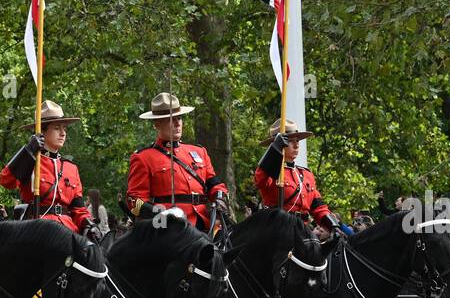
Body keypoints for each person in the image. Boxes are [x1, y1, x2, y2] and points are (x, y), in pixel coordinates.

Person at [126, 92, 229, 232]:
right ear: (156, 124)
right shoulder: (143, 158)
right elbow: (134, 202)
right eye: (170, 119)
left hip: (206, 223)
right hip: (170, 229)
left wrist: (220, 198)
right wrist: (161, 214)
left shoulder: (199, 152)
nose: (177, 123)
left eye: (179, 118)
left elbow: (215, 184)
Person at [0, 101, 100, 239]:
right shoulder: (30, 161)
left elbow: (78, 209)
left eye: (65, 128)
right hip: (36, 230)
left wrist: (89, 224)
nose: (63, 133)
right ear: (42, 131)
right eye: (57, 128)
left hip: (68, 231)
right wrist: (28, 150)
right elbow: (6, 181)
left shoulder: (71, 168)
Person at [253, 119, 338, 240]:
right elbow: (260, 179)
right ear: (279, 143)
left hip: (303, 233)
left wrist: (333, 225)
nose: (296, 145)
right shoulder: (272, 171)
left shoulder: (306, 174)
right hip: (277, 232)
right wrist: (273, 150)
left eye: (297, 141)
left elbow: (318, 207)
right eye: (290, 141)